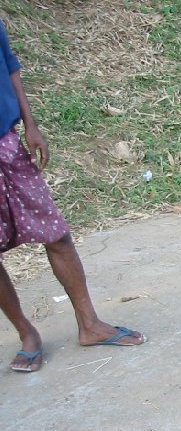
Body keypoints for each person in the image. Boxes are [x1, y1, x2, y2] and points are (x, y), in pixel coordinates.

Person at [0, 19, 146, 373]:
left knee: (57, 235)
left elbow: (12, 70)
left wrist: (31, 125)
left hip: (6, 143)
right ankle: (27, 334)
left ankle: (89, 324)